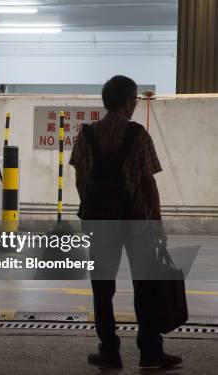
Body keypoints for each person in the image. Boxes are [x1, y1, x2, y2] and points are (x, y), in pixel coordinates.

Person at [70, 75, 182, 369]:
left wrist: (93, 211)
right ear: (130, 102)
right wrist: (156, 223)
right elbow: (148, 183)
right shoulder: (138, 135)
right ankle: (150, 352)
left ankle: (109, 350)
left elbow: (80, 180)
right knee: (145, 287)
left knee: (103, 289)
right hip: (137, 223)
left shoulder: (87, 135)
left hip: (99, 224)